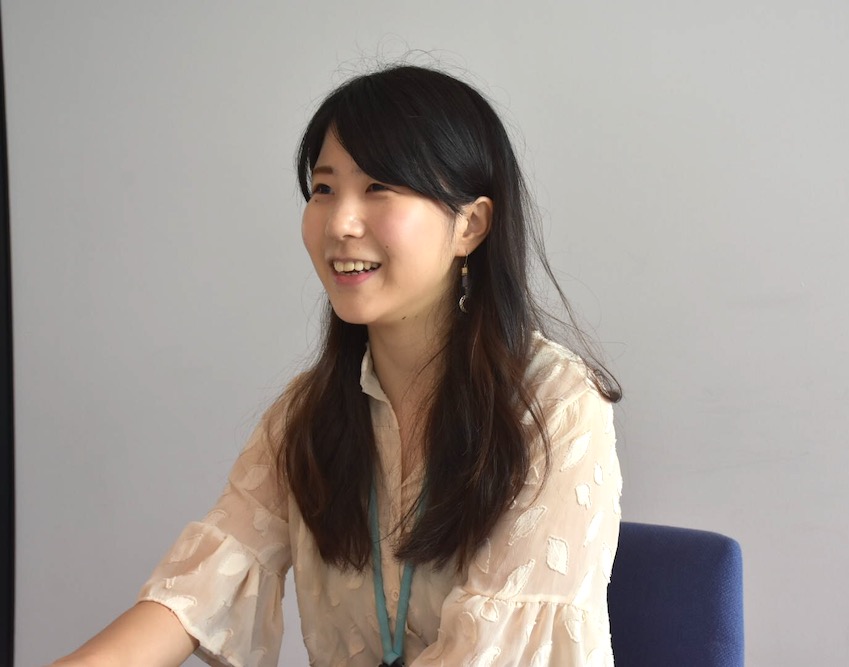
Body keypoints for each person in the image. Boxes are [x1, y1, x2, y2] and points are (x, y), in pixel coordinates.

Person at [50, 64, 622, 667]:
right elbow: (196, 591)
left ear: (471, 225)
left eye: (379, 187)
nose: (340, 223)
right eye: (323, 190)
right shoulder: (310, 413)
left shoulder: (556, 406)